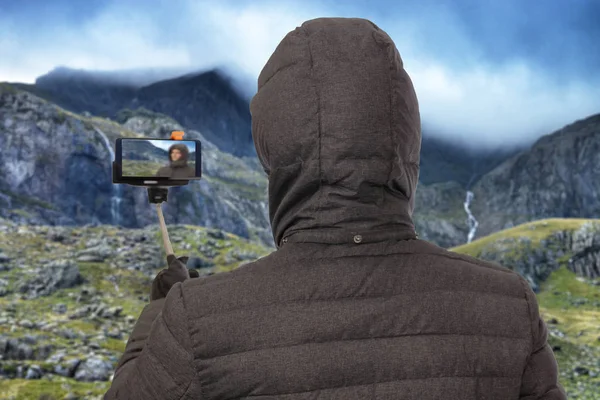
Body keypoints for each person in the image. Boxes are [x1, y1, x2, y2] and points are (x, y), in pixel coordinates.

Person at [104, 17, 566, 399]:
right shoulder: (508, 307)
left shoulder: (196, 320)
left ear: (274, 152)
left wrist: (158, 314)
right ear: (405, 142)